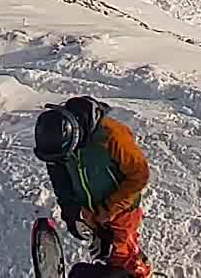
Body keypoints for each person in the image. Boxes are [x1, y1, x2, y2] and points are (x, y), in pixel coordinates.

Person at [33, 95, 152, 278]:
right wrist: (70, 209)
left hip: (121, 210)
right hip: (91, 209)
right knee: (106, 251)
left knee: (120, 254)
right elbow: (60, 178)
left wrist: (107, 210)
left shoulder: (112, 136)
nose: (60, 161)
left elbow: (139, 175)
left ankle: (138, 271)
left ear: (76, 138)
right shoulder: (58, 143)